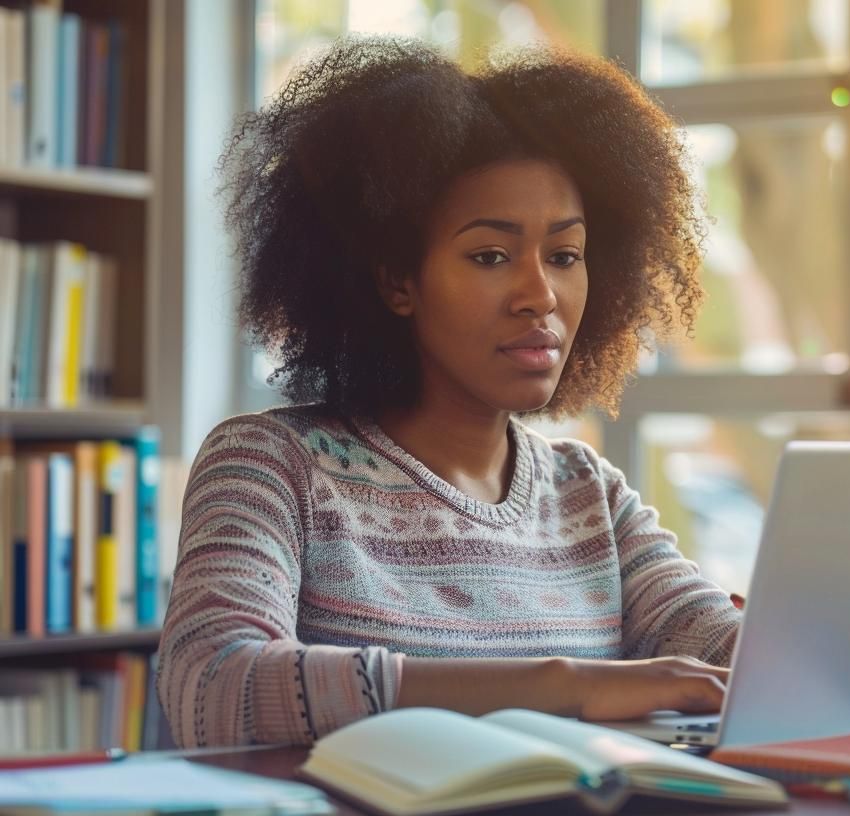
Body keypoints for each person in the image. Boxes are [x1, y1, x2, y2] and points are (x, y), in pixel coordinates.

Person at [156, 38, 741, 748]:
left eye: (565, 255)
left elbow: (731, 651)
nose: (541, 295)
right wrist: (562, 687)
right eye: (490, 255)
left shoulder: (589, 496)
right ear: (396, 280)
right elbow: (215, 687)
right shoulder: (271, 465)